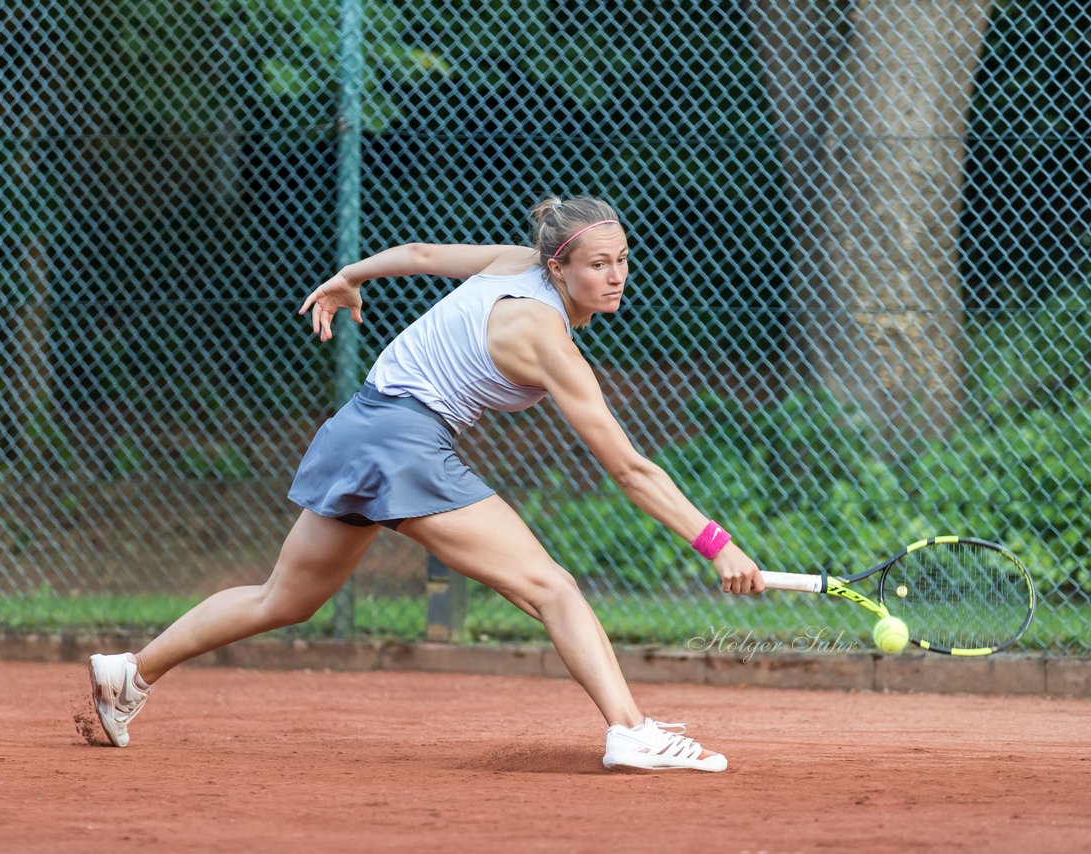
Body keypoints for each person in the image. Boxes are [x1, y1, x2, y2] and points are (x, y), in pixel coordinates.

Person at [88, 195, 765, 771]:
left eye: (621, 260)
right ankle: (630, 731)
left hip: (363, 426)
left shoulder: (515, 262)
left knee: (283, 600)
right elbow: (629, 469)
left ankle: (130, 672)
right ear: (558, 265)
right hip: (404, 442)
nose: (615, 276)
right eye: (598, 264)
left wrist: (349, 276)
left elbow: (415, 253)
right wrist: (715, 543)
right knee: (552, 587)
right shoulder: (543, 334)